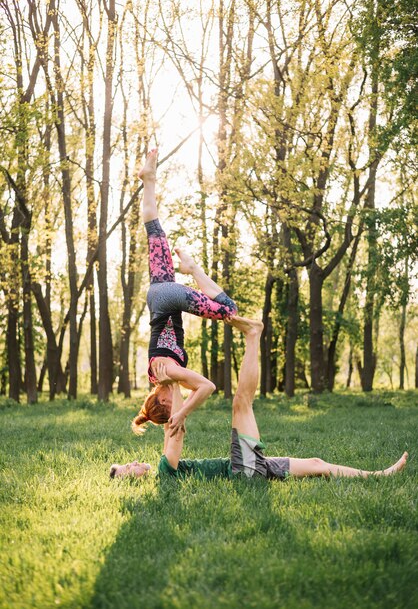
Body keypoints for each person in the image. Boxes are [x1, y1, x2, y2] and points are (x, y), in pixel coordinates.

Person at [110, 316, 408, 481]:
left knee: (316, 463)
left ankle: (378, 474)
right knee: (242, 402)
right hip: (243, 471)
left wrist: (168, 380)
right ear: (131, 481)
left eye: (128, 462)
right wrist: (170, 377)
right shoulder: (165, 470)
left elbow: (172, 409)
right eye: (128, 468)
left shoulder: (169, 433)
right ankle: (254, 336)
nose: (134, 462)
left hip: (251, 468)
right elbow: (172, 424)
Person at [134, 149, 237, 437]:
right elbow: (196, 388)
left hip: (167, 300)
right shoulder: (157, 374)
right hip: (157, 294)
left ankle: (192, 268)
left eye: (171, 404)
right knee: (155, 231)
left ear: (163, 400)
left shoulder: (169, 374)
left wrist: (181, 413)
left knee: (229, 310)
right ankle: (148, 180)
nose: (176, 400)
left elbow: (207, 387)